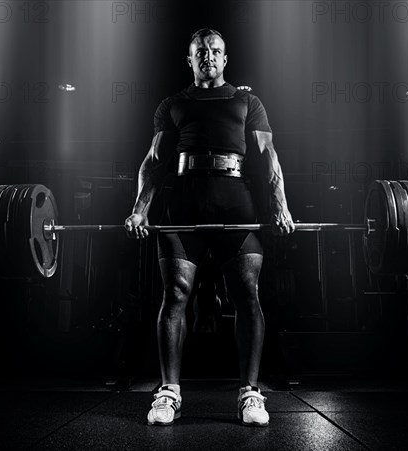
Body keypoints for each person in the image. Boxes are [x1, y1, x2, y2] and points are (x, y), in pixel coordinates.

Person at [124, 28, 295, 427]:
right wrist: (138, 211)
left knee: (247, 293)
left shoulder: (246, 101)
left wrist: (281, 206)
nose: (208, 57)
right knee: (176, 294)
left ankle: (250, 393)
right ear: (190, 59)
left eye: (215, 51)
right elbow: (154, 161)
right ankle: (169, 392)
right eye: (201, 52)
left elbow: (268, 155)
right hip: (182, 207)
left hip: (237, 205)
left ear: (225, 57)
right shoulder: (173, 104)